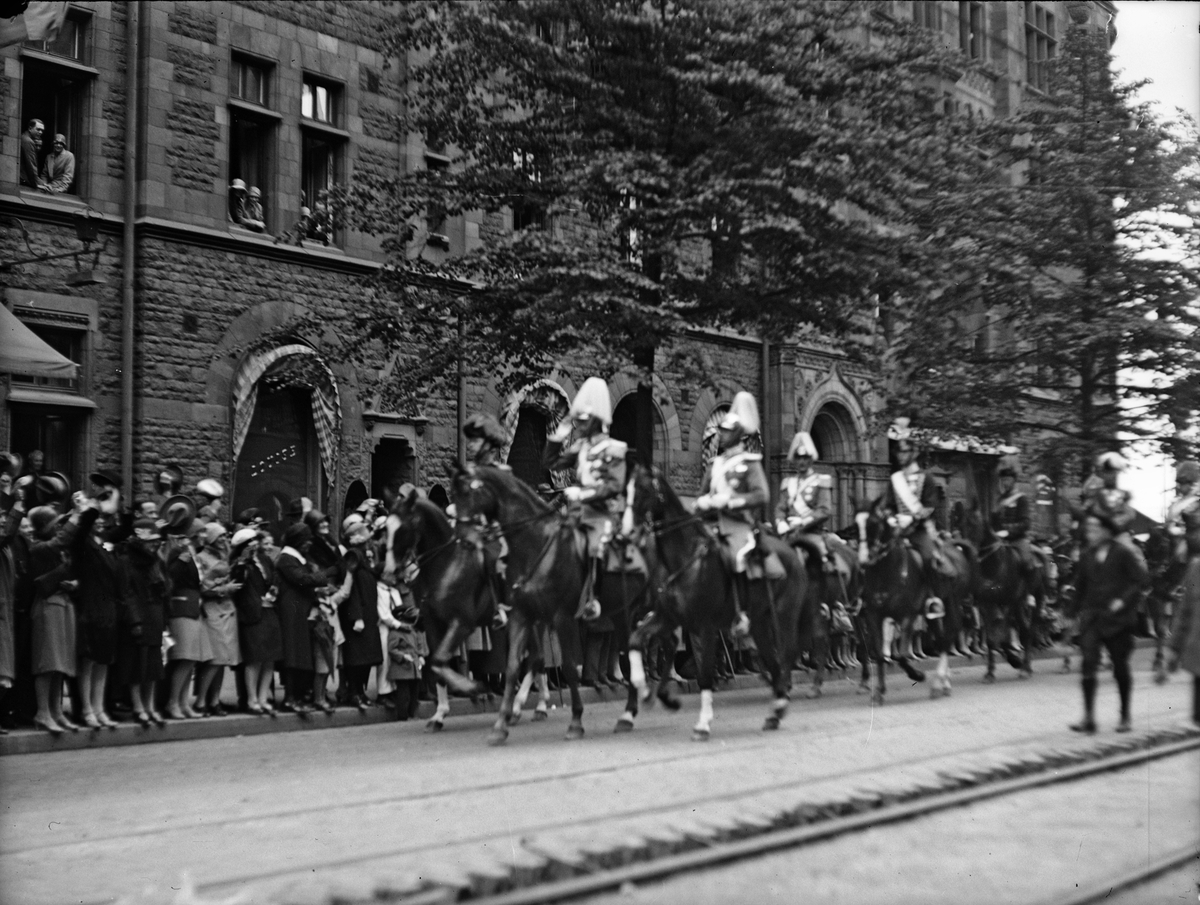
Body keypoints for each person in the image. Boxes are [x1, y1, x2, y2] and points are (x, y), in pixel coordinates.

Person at [543, 377, 627, 621]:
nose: (579, 425)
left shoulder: (614, 448)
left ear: (597, 420)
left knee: (595, 545)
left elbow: (613, 486)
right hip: (577, 513)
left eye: (583, 420)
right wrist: (559, 434)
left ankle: (594, 598)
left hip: (603, 513)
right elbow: (551, 464)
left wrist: (583, 493)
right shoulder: (580, 447)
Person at [695, 392, 768, 637]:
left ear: (736, 434)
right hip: (712, 525)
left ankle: (742, 613)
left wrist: (731, 501)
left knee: (738, 558)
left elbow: (761, 496)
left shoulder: (750, 462)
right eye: (721, 431)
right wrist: (702, 503)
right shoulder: (715, 465)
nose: (721, 435)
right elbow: (702, 494)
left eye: (726, 432)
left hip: (738, 526)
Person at [1068, 513, 1148, 734]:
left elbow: (1140, 580)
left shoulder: (1122, 553)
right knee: (1088, 664)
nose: (1089, 533)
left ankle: (1125, 716)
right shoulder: (1086, 555)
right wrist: (1069, 613)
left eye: (1094, 529)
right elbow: (1080, 587)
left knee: (1120, 667)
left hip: (1118, 621)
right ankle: (1089, 718)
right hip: (1093, 619)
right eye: (1088, 529)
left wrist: (1122, 600)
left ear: (1106, 531)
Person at [71, 471, 131, 730]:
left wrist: (121, 505)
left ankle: (99, 707)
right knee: (89, 661)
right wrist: (93, 509)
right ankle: (86, 710)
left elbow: (124, 530)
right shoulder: (83, 542)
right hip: (89, 607)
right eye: (96, 519)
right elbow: (82, 528)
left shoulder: (104, 541)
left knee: (104, 661)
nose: (100, 522)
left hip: (107, 608)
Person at [881, 418, 949, 597]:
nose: (900, 455)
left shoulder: (926, 478)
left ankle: (934, 599)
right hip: (897, 532)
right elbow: (888, 505)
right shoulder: (895, 479)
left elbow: (929, 507)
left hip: (920, 532)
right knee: (876, 557)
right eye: (898, 452)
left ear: (913, 453)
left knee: (929, 559)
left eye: (904, 452)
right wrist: (891, 518)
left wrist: (911, 518)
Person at [461, 412, 511, 628]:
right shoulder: (468, 473)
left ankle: (500, 607)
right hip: (468, 532)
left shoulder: (501, 472)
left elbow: (506, 508)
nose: (470, 445)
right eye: (469, 440)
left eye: (475, 440)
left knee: (491, 558)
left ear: (490, 445)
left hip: (496, 533)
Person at [119, 515, 169, 726]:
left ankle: (150, 706)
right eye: (149, 542)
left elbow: (165, 590)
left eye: (155, 542)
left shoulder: (156, 562)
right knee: (137, 666)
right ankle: (138, 707)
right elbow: (126, 593)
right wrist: (135, 620)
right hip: (138, 618)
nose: (153, 545)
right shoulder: (126, 561)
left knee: (153, 667)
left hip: (155, 616)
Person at [332, 514, 383, 710]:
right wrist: (357, 617)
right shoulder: (353, 555)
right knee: (357, 658)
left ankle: (360, 692)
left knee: (367, 657)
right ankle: (354, 692)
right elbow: (351, 589)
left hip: (369, 613)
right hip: (358, 616)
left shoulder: (364, 554)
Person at [230, 526, 282, 715]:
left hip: (269, 612)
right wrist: (242, 562)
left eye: (255, 541)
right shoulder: (239, 564)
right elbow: (236, 584)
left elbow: (275, 579)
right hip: (252, 615)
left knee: (269, 659)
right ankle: (251, 699)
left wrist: (274, 591)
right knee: (254, 660)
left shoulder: (265, 559)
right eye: (249, 543)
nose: (254, 545)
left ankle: (262, 698)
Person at [164, 515, 211, 719]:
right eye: (201, 532)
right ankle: (172, 702)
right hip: (182, 607)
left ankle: (183, 703)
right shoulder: (180, 552)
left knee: (191, 660)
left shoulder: (192, 553)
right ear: (192, 534)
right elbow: (170, 576)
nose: (204, 536)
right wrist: (181, 562)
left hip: (193, 607)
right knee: (184, 658)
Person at [194, 522, 241, 716]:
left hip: (227, 609)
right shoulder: (201, 557)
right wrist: (223, 589)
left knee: (222, 659)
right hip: (212, 610)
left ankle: (214, 700)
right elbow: (202, 587)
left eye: (225, 536)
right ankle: (201, 700)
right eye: (220, 536)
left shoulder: (225, 554)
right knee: (214, 659)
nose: (224, 539)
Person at [1166, 460, 1200, 724]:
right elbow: (1170, 525)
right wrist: (1174, 533)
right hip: (1181, 546)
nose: (1183, 486)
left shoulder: (1197, 501)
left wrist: (1185, 536)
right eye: (1181, 482)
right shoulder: (1176, 504)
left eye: (1187, 482)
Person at [775, 430, 836, 573]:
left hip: (812, 533)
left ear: (811, 459)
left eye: (805, 457)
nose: (801, 461)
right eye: (798, 458)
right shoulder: (787, 483)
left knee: (823, 562)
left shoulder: (821, 481)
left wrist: (803, 521)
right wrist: (780, 522)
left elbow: (824, 510)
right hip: (788, 534)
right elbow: (781, 507)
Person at [990, 463, 1045, 612]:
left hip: (1017, 539)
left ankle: (1029, 593)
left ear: (1014, 481)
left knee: (1027, 562)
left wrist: (1008, 531)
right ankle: (994, 590)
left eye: (1008, 479)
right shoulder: (998, 500)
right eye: (1003, 480)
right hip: (999, 541)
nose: (1005, 483)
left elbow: (1025, 523)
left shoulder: (1021, 499)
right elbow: (993, 521)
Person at [19, 119, 44, 189]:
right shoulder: (28, 141)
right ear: (30, 128)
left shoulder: (24, 137)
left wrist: (43, 183)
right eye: (38, 129)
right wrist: (36, 185)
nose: (40, 132)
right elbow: (31, 166)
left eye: (42, 130)